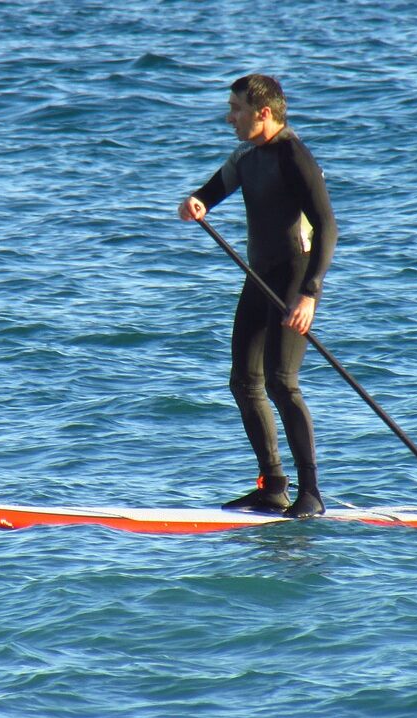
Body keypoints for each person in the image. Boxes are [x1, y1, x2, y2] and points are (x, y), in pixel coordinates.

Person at [178, 74, 338, 518]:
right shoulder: (246, 155)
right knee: (243, 381)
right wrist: (197, 203)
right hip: (259, 274)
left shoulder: (294, 155)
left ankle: (311, 493)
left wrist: (310, 294)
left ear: (263, 113)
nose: (229, 118)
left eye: (236, 110)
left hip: (295, 276)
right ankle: (272, 486)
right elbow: (212, 191)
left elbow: (327, 226)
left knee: (281, 382)